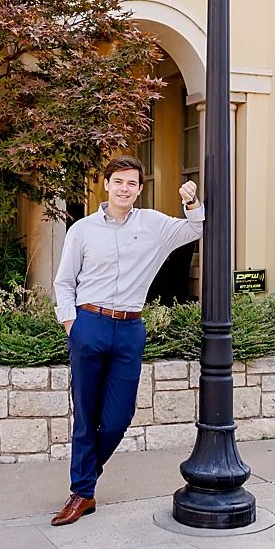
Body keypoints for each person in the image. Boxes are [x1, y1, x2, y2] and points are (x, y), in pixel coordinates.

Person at [48, 156, 204, 526]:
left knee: (118, 419)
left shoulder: (153, 224)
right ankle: (82, 492)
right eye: (118, 181)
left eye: (132, 183)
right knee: (86, 415)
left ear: (139, 188)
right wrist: (72, 324)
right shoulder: (82, 230)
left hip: (130, 329)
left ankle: (84, 479)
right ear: (106, 184)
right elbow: (64, 282)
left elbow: (196, 229)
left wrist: (191, 202)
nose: (124, 188)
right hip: (89, 323)